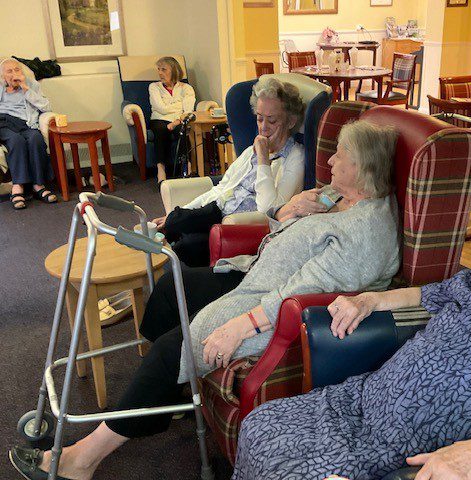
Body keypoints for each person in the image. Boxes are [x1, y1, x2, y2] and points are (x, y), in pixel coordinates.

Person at [9, 120, 401, 479]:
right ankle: (164, 392)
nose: (329, 160)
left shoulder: (365, 230)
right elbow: (281, 230)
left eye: (339, 155)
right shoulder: (335, 195)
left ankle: (82, 460)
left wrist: (242, 324)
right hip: (254, 273)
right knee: (169, 288)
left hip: (276, 309)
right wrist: (290, 209)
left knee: (174, 348)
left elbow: (305, 289)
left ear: (362, 166)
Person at [231, 177, 471, 480]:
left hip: (405, 449)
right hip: (361, 404)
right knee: (260, 425)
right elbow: (432, 294)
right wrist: (370, 300)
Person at [152, 76, 307, 267]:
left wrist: (263, 160)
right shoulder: (251, 151)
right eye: (259, 118)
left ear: (291, 121)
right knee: (177, 221)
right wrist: (183, 212)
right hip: (217, 211)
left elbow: (270, 209)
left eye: (272, 120)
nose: (263, 127)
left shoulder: (295, 157)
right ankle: (156, 239)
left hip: (239, 226)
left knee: (186, 245)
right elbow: (222, 188)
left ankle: (160, 239)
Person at [0, 58, 56, 210]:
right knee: (16, 140)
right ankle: (17, 186)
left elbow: (47, 107)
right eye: (9, 71)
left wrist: (25, 89)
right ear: (3, 76)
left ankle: (38, 184)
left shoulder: (31, 85)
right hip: (4, 123)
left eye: (17, 69)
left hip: (26, 123)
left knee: (35, 138)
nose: (14, 73)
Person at [148, 56, 196, 184]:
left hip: (179, 120)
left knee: (182, 130)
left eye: (163, 69)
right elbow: (161, 108)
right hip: (159, 119)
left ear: (174, 70)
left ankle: (187, 167)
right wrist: (179, 106)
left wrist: (177, 121)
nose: (160, 73)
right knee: (160, 130)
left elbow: (188, 110)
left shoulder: (186, 88)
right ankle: (161, 169)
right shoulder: (154, 87)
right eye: (159, 69)